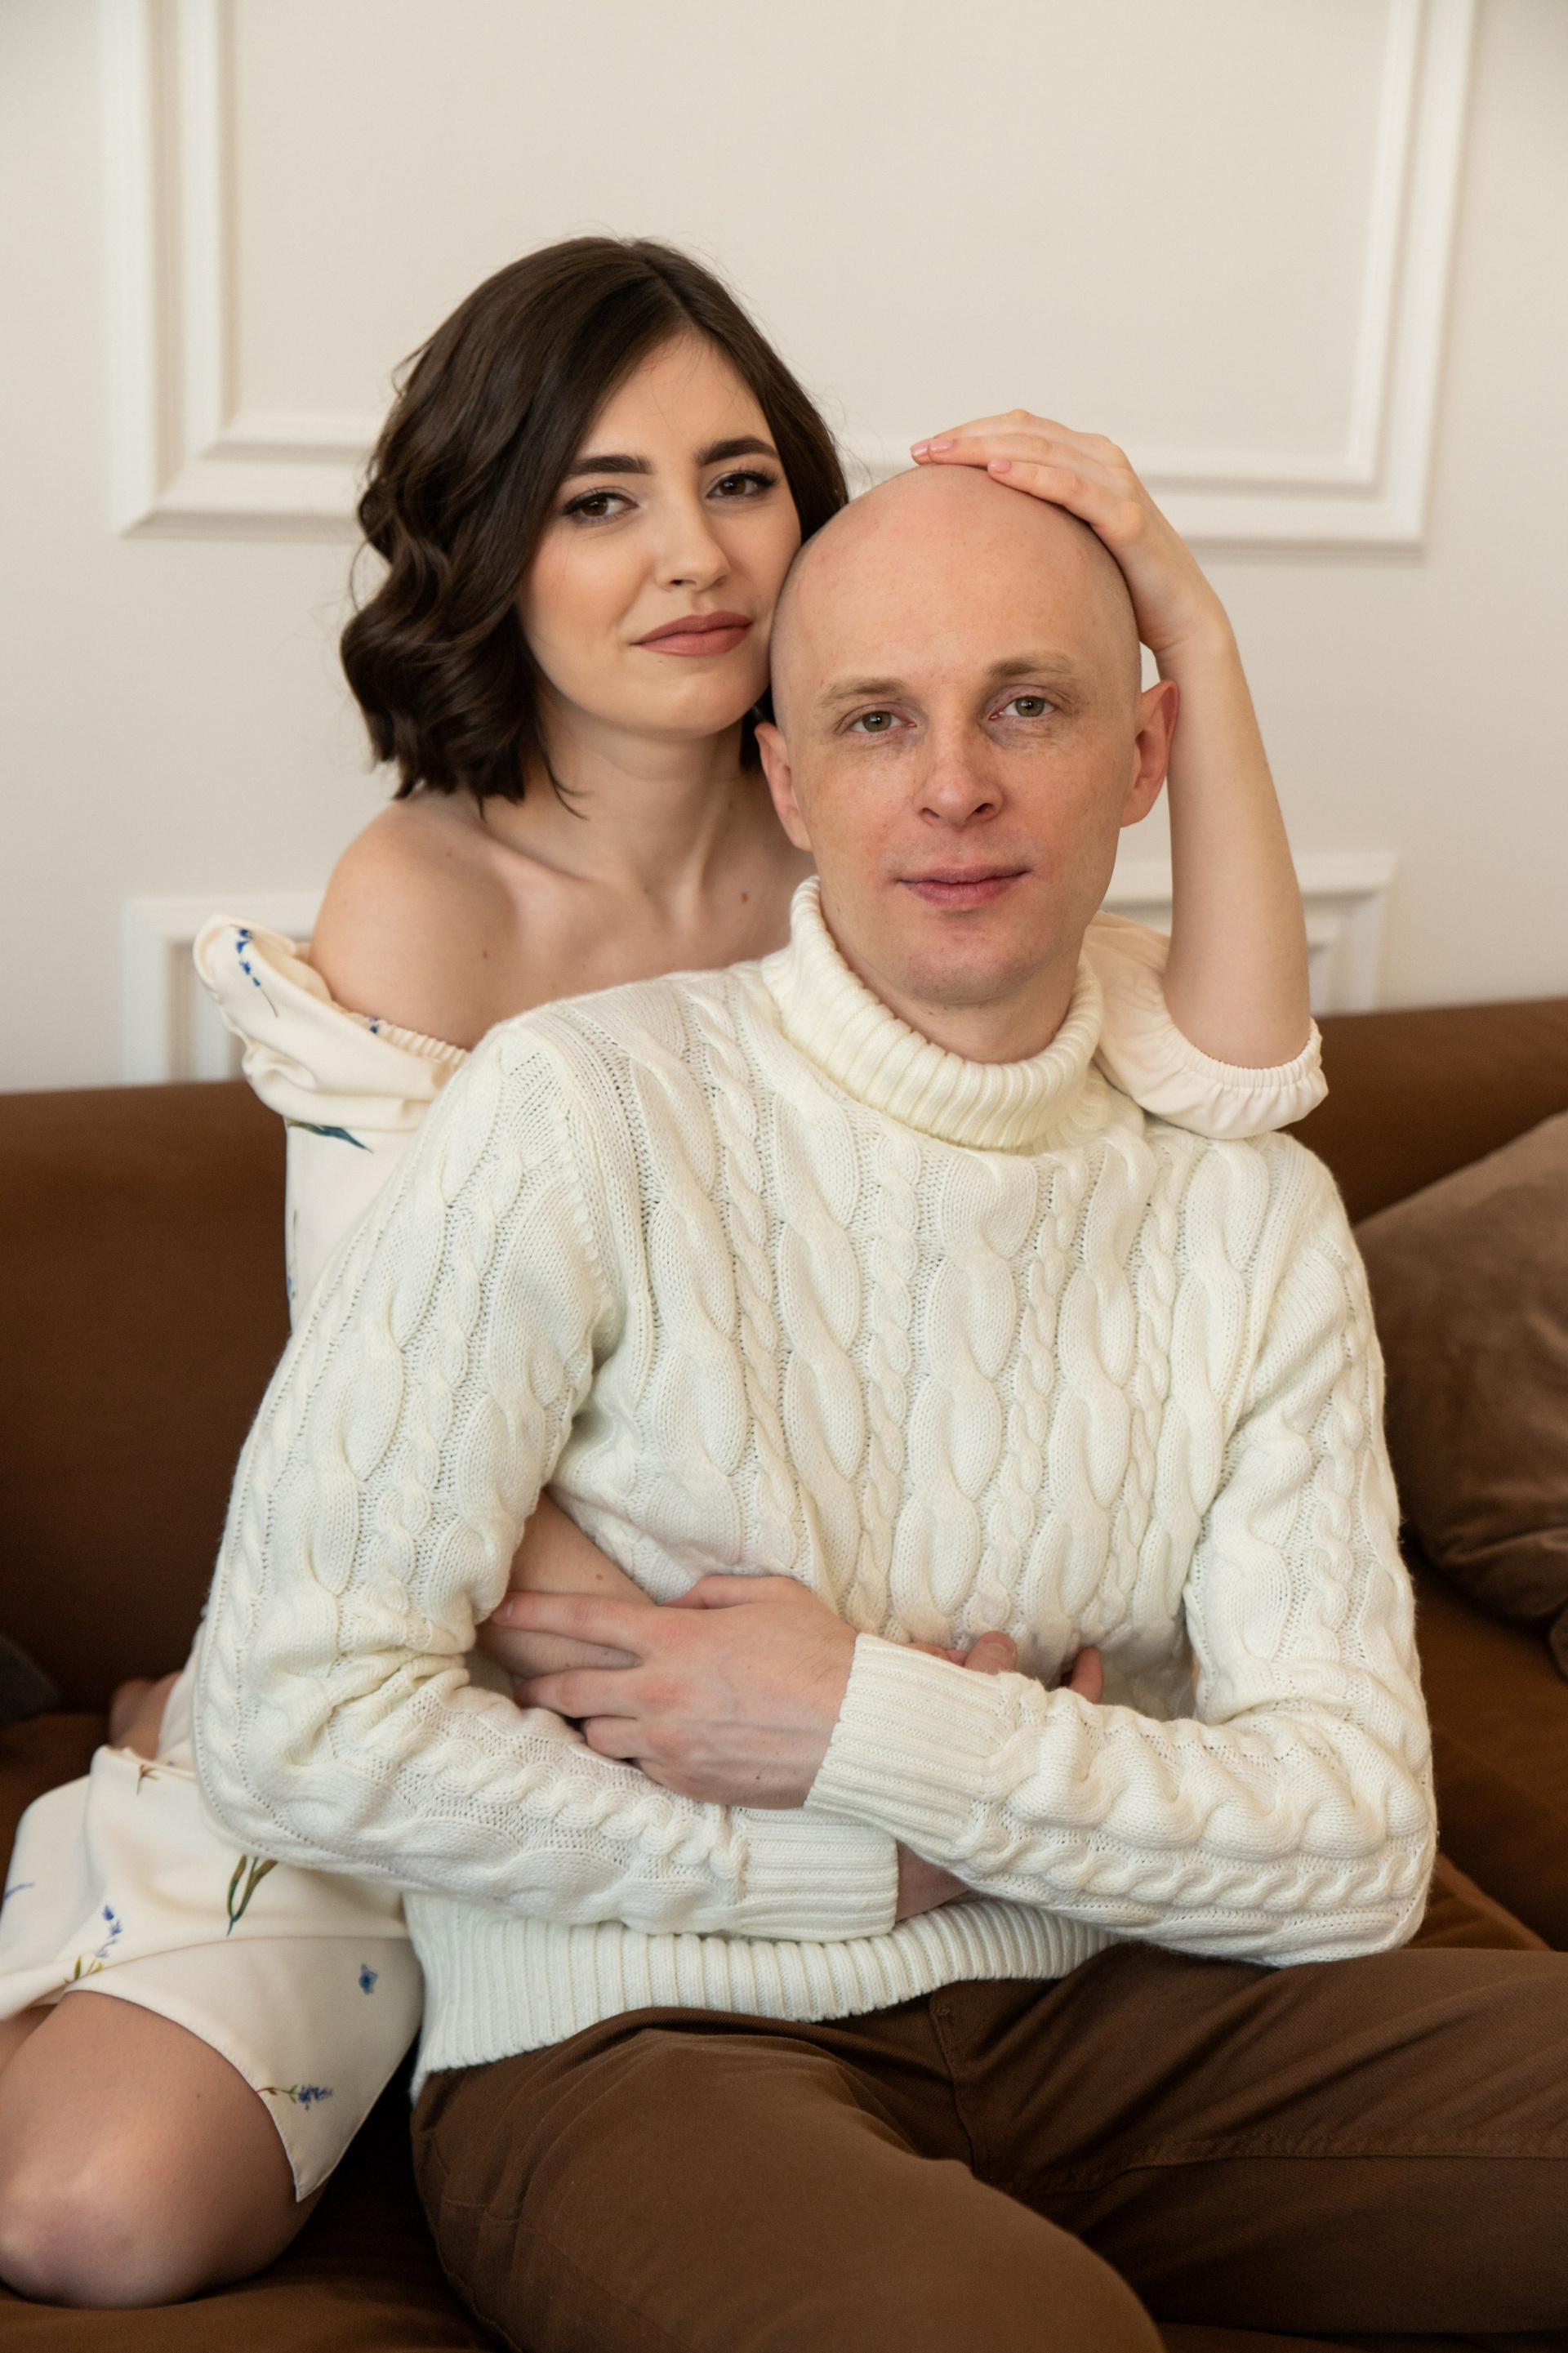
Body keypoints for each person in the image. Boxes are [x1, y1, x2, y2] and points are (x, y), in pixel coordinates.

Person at [0, 237, 1321, 2308]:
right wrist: (834, 1728)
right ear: (495, 554)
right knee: (97, 2211)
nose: (693, 554)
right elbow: (445, 1457)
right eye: (598, 500)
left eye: (739, 479)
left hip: (789, 1703)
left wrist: (1194, 630)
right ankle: (144, 1793)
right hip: (486, 1665)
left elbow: (1236, 1084)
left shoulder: (881, 837)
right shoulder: (429, 893)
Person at [186, 458, 1568, 2351]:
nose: (955, 786)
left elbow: (1350, 1842)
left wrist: (869, 1722)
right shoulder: (578, 1109)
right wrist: (854, 1856)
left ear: (1144, 753)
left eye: (1027, 704)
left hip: (1128, 1996)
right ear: (787, 782)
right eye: (876, 720)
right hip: (647, 2028)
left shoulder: (1252, 1214)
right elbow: (290, 1716)